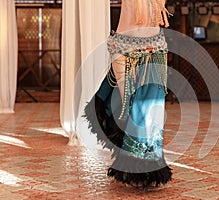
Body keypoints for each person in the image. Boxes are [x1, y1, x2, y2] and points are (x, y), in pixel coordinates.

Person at [83, 0, 172, 189]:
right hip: (123, 47)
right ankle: (135, 166)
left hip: (154, 48)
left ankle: (145, 169)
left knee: (147, 110)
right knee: (128, 106)